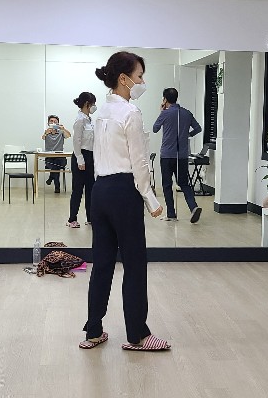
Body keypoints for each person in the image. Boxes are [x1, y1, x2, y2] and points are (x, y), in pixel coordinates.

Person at [80, 51, 169, 352]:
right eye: (139, 76)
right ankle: (138, 335)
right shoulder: (131, 112)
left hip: (100, 191)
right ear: (123, 78)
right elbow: (139, 162)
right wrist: (151, 199)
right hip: (123, 191)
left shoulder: (101, 112)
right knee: (134, 263)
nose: (142, 82)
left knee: (102, 263)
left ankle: (93, 330)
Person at [152, 88, 203, 223]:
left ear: (165, 99)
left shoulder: (165, 113)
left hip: (167, 155)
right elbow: (198, 128)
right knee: (184, 183)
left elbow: (155, 128)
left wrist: (162, 111)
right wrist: (187, 135)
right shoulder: (186, 113)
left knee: (167, 185)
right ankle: (193, 207)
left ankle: (171, 214)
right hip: (182, 156)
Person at [67, 92, 97, 228]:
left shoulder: (89, 119)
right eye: (93, 104)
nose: (94, 106)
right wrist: (80, 159)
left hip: (90, 156)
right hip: (80, 155)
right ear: (86, 104)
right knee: (78, 189)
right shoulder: (80, 120)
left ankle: (90, 218)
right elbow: (76, 141)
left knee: (91, 189)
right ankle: (72, 219)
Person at [41, 115, 71, 193]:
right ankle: (56, 186)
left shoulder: (61, 132)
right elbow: (43, 138)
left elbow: (69, 135)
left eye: (55, 121)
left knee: (56, 164)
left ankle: (51, 179)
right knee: (55, 166)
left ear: (58, 123)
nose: (53, 123)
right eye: (51, 121)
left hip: (61, 158)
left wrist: (63, 129)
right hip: (49, 158)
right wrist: (46, 133)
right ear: (48, 123)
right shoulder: (47, 132)